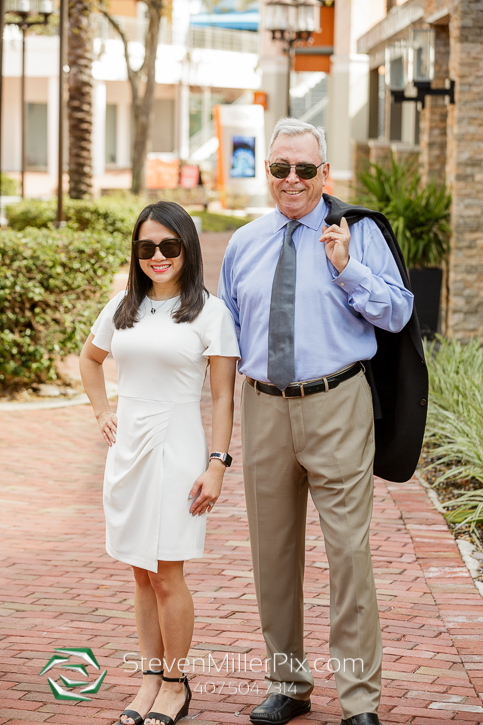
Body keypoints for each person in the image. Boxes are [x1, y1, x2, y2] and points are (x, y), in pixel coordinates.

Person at [218, 118, 416, 725]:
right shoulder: (245, 242)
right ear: (269, 172)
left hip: (337, 404)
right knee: (271, 552)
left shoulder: (356, 233)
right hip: (264, 407)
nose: (293, 180)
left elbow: (399, 312)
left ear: (325, 173)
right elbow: (228, 334)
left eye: (306, 169)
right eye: (281, 168)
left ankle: (358, 701)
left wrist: (346, 268)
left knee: (349, 553)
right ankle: (289, 684)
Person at [80, 201, 239, 725]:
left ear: (187, 249)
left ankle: (176, 682)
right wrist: (104, 410)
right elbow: (90, 358)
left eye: (169, 246)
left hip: (177, 446)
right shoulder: (123, 306)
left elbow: (222, 397)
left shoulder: (210, 312)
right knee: (141, 575)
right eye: (146, 247)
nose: (157, 256)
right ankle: (149, 677)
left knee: (168, 573)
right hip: (128, 452)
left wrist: (217, 463)